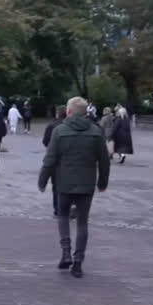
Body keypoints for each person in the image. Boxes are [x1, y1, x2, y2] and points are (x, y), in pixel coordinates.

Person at [39, 97, 110, 278]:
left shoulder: (59, 131)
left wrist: (43, 180)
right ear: (86, 113)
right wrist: (102, 182)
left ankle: (65, 252)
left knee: (62, 216)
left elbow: (50, 159)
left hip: (64, 182)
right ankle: (78, 261)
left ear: (69, 112)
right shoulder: (96, 132)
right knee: (82, 222)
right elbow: (104, 161)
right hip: (87, 184)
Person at [42, 105, 71, 217]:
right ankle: (67, 207)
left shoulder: (52, 126)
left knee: (56, 185)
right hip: (68, 160)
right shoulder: (69, 126)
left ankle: (57, 208)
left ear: (57, 114)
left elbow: (45, 141)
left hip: (55, 159)